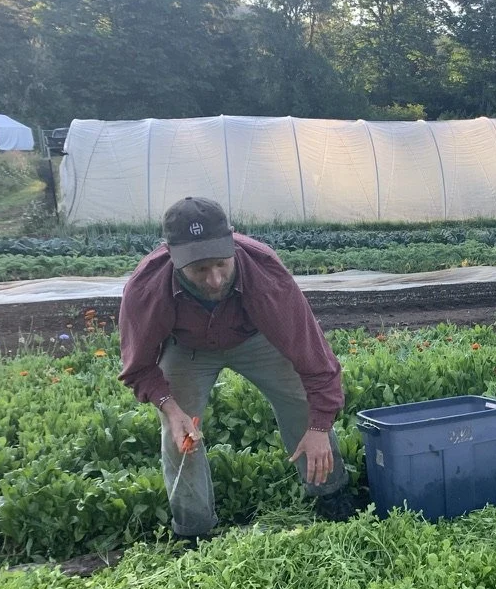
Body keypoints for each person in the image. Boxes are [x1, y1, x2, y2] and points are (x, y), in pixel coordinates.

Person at [118, 196, 351, 540]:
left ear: (232, 241)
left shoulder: (264, 271)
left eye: (221, 265)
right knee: (179, 434)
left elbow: (315, 359)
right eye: (199, 269)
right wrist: (169, 407)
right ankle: (194, 530)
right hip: (188, 348)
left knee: (301, 402)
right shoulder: (146, 288)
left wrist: (318, 427)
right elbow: (137, 367)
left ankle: (331, 496)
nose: (214, 280)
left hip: (255, 337)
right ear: (172, 256)